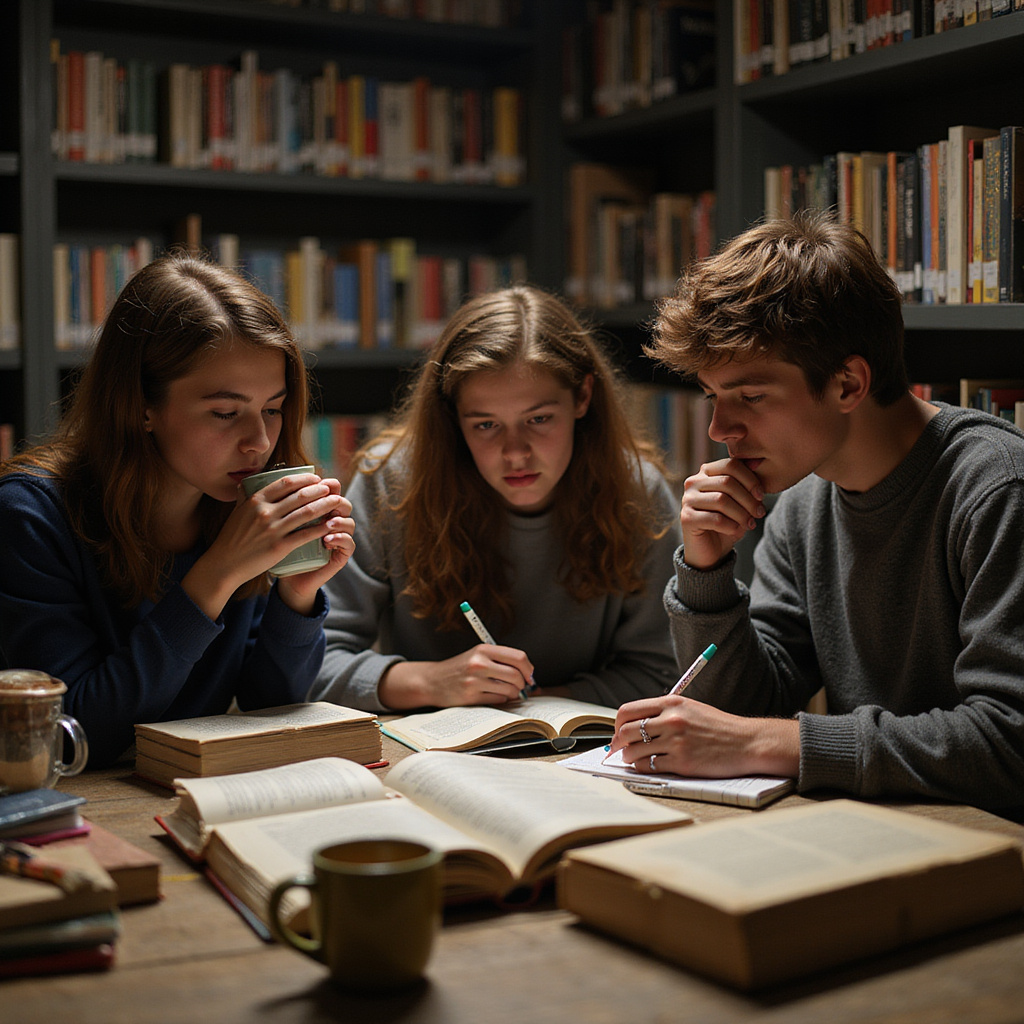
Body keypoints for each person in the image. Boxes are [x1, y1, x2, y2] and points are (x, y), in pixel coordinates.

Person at [608, 210, 1024, 813]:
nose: (721, 429)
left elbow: (1009, 742)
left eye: (750, 396)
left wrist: (777, 741)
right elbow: (748, 710)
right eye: (713, 398)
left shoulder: (997, 489)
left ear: (849, 384)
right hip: (887, 828)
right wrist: (704, 572)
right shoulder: (802, 505)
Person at [0, 254, 356, 767]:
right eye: (225, 413)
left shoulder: (231, 504)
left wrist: (296, 597)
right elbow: (72, 739)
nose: (259, 442)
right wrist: (217, 575)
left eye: (272, 409)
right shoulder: (29, 515)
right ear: (142, 406)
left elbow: (270, 707)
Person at [310, 285, 681, 712]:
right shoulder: (392, 483)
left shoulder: (638, 492)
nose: (516, 453)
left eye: (539, 419)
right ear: (452, 418)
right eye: (486, 425)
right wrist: (432, 682)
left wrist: (540, 704)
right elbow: (312, 661)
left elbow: (664, 671)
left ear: (582, 397)